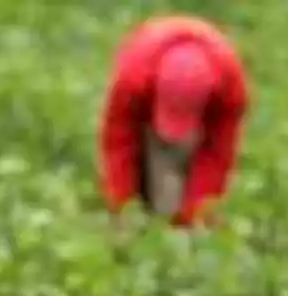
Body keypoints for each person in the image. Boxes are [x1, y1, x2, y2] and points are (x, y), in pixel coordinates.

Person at [98, 15, 250, 229]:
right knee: (153, 172)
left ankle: (175, 223)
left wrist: (195, 214)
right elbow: (118, 144)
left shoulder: (231, 89)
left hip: (210, 98)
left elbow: (219, 155)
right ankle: (156, 217)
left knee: (185, 185)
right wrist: (122, 204)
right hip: (147, 83)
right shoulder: (133, 78)